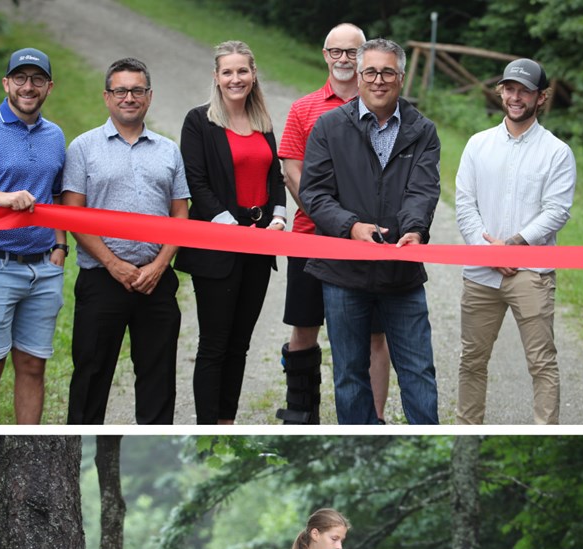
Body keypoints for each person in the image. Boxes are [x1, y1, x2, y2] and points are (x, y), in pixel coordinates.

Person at [299, 38, 442, 425]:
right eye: (371, 72)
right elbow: (313, 192)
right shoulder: (329, 126)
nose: (379, 81)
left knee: (418, 372)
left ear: (401, 77)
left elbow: (423, 189)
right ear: (359, 77)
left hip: (403, 272)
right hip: (344, 273)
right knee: (348, 376)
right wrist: (351, 227)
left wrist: (414, 230)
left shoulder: (422, 130)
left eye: (388, 72)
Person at [62, 58, 190, 424]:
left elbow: (180, 214)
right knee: (91, 375)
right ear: (107, 97)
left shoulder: (168, 150)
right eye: (121, 90)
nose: (129, 97)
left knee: (158, 378)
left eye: (137, 90)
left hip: (156, 282)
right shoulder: (83, 148)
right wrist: (113, 263)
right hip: (102, 279)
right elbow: (73, 214)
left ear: (149, 97)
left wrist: (160, 264)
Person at [275, 23, 391, 424]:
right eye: (335, 51)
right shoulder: (303, 108)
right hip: (311, 238)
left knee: (376, 333)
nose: (343, 59)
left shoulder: (380, 105)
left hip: (368, 242)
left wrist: (356, 223)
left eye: (352, 52)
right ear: (325, 55)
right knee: (304, 326)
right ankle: (301, 410)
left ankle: (373, 418)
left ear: (364, 59)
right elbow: (292, 172)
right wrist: (333, 218)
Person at [455, 58, 576, 425]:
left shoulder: (557, 152)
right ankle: (467, 429)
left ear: (541, 97)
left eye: (525, 90)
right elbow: (464, 203)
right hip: (481, 271)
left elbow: (557, 211)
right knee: (471, 360)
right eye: (510, 88)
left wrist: (515, 246)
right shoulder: (478, 145)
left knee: (541, 362)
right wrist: (487, 249)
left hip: (531, 271)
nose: (515, 96)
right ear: (501, 92)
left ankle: (545, 431)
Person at [0, 48, 69, 425]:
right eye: (20, 78)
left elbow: (55, 195)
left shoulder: (55, 136)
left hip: (42, 267)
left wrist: (60, 244)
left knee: (33, 365)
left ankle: (28, 441)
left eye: (37, 79)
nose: (28, 86)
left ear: (49, 87)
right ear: (6, 83)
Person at [174, 41, 286, 425]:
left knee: (240, 344)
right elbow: (196, 182)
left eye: (242, 71)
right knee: (215, 344)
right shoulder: (199, 121)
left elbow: (275, 176)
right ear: (216, 77)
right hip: (219, 246)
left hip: (259, 244)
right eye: (228, 72)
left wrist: (279, 217)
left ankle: (227, 421)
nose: (235, 78)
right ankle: (207, 423)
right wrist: (231, 227)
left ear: (253, 75)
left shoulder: (263, 123)